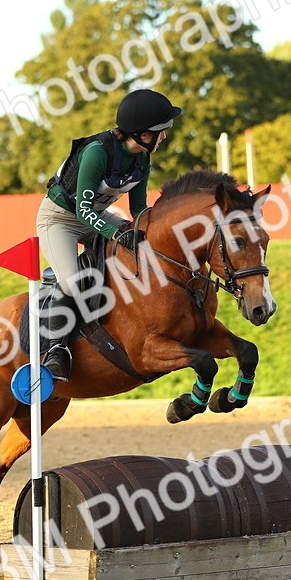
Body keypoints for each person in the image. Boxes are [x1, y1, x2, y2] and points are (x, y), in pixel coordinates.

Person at [35, 88, 181, 381]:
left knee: (137, 244)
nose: (164, 137)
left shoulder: (143, 158)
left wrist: (149, 230)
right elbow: (82, 210)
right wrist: (117, 232)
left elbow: (138, 208)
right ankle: (56, 350)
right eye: (160, 132)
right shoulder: (97, 153)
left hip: (95, 217)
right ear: (141, 133)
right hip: (60, 220)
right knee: (72, 281)